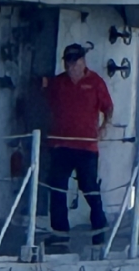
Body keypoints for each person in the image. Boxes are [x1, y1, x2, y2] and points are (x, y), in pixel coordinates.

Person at [42, 43, 113, 235]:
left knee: (88, 186)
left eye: (75, 62)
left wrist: (104, 128)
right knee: (57, 186)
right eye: (68, 62)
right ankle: (59, 232)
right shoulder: (58, 83)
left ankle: (99, 226)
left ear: (83, 61)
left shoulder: (96, 82)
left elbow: (108, 108)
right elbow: (45, 104)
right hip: (60, 144)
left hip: (86, 146)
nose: (71, 66)